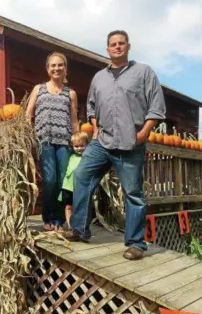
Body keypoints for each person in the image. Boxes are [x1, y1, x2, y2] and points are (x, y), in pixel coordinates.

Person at [69, 30, 166, 260]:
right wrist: (94, 127)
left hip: (130, 143)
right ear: (107, 49)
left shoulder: (144, 73)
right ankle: (80, 229)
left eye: (121, 43)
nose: (117, 47)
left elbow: (157, 107)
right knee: (81, 175)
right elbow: (91, 106)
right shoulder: (99, 77)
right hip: (102, 142)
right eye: (113, 44)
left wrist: (143, 133)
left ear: (128, 46)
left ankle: (136, 244)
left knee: (133, 193)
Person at [26, 52, 80, 231]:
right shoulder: (38, 89)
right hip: (44, 141)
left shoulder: (70, 93)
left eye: (60, 65)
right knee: (49, 180)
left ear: (66, 68)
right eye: (52, 66)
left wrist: (78, 139)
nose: (56, 68)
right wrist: (25, 135)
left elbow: (73, 120)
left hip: (64, 142)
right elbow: (28, 114)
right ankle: (47, 217)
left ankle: (58, 220)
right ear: (48, 69)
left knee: (62, 181)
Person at [58, 131, 89, 231]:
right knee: (68, 206)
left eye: (82, 145)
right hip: (68, 186)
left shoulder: (88, 158)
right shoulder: (70, 156)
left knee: (79, 207)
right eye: (76, 146)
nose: (79, 148)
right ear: (72, 146)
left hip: (80, 187)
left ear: (87, 145)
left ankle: (79, 226)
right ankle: (70, 225)